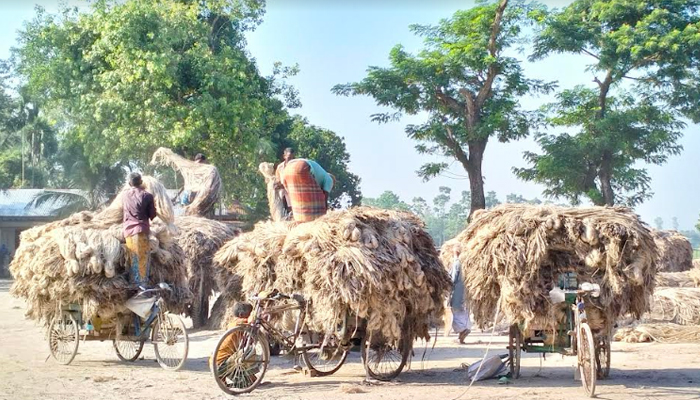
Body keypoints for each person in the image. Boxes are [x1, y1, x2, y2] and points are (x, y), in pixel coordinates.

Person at [212, 302, 260, 387]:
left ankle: (226, 378)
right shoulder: (239, 322)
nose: (249, 315)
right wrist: (255, 312)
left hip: (218, 364)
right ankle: (235, 381)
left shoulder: (232, 323)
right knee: (249, 351)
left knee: (252, 381)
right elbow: (251, 320)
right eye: (248, 313)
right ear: (241, 315)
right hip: (220, 364)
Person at [123, 172, 157, 286]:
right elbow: (152, 215)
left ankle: (132, 283)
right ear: (141, 182)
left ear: (129, 183)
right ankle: (141, 285)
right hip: (141, 231)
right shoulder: (147, 196)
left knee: (132, 258)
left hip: (128, 232)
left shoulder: (124, 195)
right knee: (142, 259)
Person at [279, 157, 334, 222]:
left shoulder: (320, 174)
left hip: (287, 169)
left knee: (296, 199)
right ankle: (312, 222)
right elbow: (325, 198)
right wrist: (325, 214)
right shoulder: (329, 180)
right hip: (302, 167)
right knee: (319, 205)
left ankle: (298, 219)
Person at [449, 245, 471, 344]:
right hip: (466, 290)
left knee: (456, 311)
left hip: (458, 290)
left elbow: (453, 278)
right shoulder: (467, 263)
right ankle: (465, 329)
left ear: (456, 253)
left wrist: (448, 285)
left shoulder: (457, 263)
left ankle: (462, 330)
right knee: (465, 311)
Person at [274, 148, 295, 215]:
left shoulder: (295, 166)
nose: (290, 160)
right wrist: (278, 184)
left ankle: (291, 211)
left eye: (292, 158)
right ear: (284, 156)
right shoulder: (280, 167)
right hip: (284, 189)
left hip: (294, 188)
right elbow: (278, 179)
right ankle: (286, 211)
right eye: (289, 158)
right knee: (282, 192)